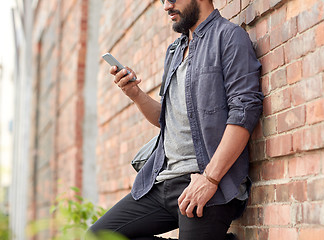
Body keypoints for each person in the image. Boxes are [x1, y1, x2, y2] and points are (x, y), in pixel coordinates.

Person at [88, 0, 263, 239]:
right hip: (162, 181)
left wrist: (210, 179)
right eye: (162, 1)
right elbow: (167, 121)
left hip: (206, 182)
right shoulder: (176, 50)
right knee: (98, 236)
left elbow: (244, 114)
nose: (166, 6)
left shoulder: (229, 37)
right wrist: (135, 94)